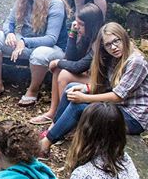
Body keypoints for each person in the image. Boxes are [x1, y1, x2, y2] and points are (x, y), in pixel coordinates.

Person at [40, 22, 148, 155]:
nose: (113, 47)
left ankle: (46, 144)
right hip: (118, 107)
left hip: (132, 117)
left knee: (79, 106)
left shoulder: (136, 61)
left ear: (124, 37)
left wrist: (85, 98)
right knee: (71, 87)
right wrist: (85, 88)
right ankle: (54, 129)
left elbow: (117, 96)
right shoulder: (115, 57)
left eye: (116, 41)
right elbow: (108, 86)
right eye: (108, 44)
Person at [0, 0, 67, 105]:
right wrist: (10, 33)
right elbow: (8, 22)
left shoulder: (55, 4)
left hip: (52, 48)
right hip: (25, 44)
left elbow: (51, 38)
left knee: (40, 54)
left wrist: (24, 41)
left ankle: (33, 91)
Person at [29, 3, 104, 125]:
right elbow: (71, 58)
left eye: (81, 25)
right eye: (77, 23)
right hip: (91, 77)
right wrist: (73, 34)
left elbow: (79, 67)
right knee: (59, 70)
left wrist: (58, 62)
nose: (78, 26)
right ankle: (53, 113)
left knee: (64, 74)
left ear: (92, 25)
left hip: (102, 82)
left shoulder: (100, 41)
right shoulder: (88, 35)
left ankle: (63, 121)